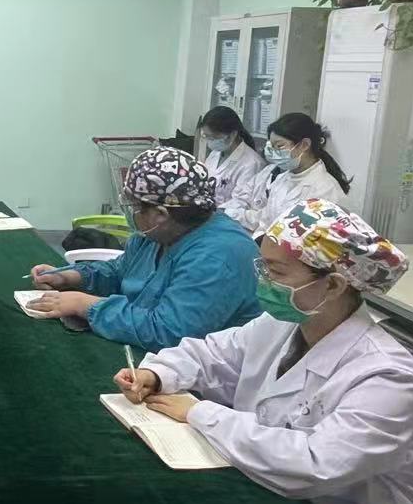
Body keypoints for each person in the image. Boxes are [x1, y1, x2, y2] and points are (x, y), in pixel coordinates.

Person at [115, 199, 413, 504]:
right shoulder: (279, 325)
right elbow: (210, 355)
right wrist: (157, 374)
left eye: (275, 272)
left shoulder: (388, 377)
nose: (262, 282)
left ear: (333, 285)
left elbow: (313, 464)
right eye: (261, 268)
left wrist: (200, 413)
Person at [27, 147, 261, 353]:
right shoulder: (158, 233)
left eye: (133, 206)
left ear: (160, 214)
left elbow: (169, 332)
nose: (129, 212)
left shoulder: (218, 256)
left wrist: (85, 305)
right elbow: (120, 271)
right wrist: (73, 277)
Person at [220, 113, 350, 237]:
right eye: (272, 147)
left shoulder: (326, 190)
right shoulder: (282, 179)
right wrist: (231, 214)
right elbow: (266, 220)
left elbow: (314, 241)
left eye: (279, 146)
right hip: (268, 246)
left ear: (304, 145)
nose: (273, 152)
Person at [199, 105, 265, 205]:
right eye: (206, 136)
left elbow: (241, 203)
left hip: (229, 213)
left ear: (232, 135)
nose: (209, 141)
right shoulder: (215, 153)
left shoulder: (252, 164)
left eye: (213, 137)